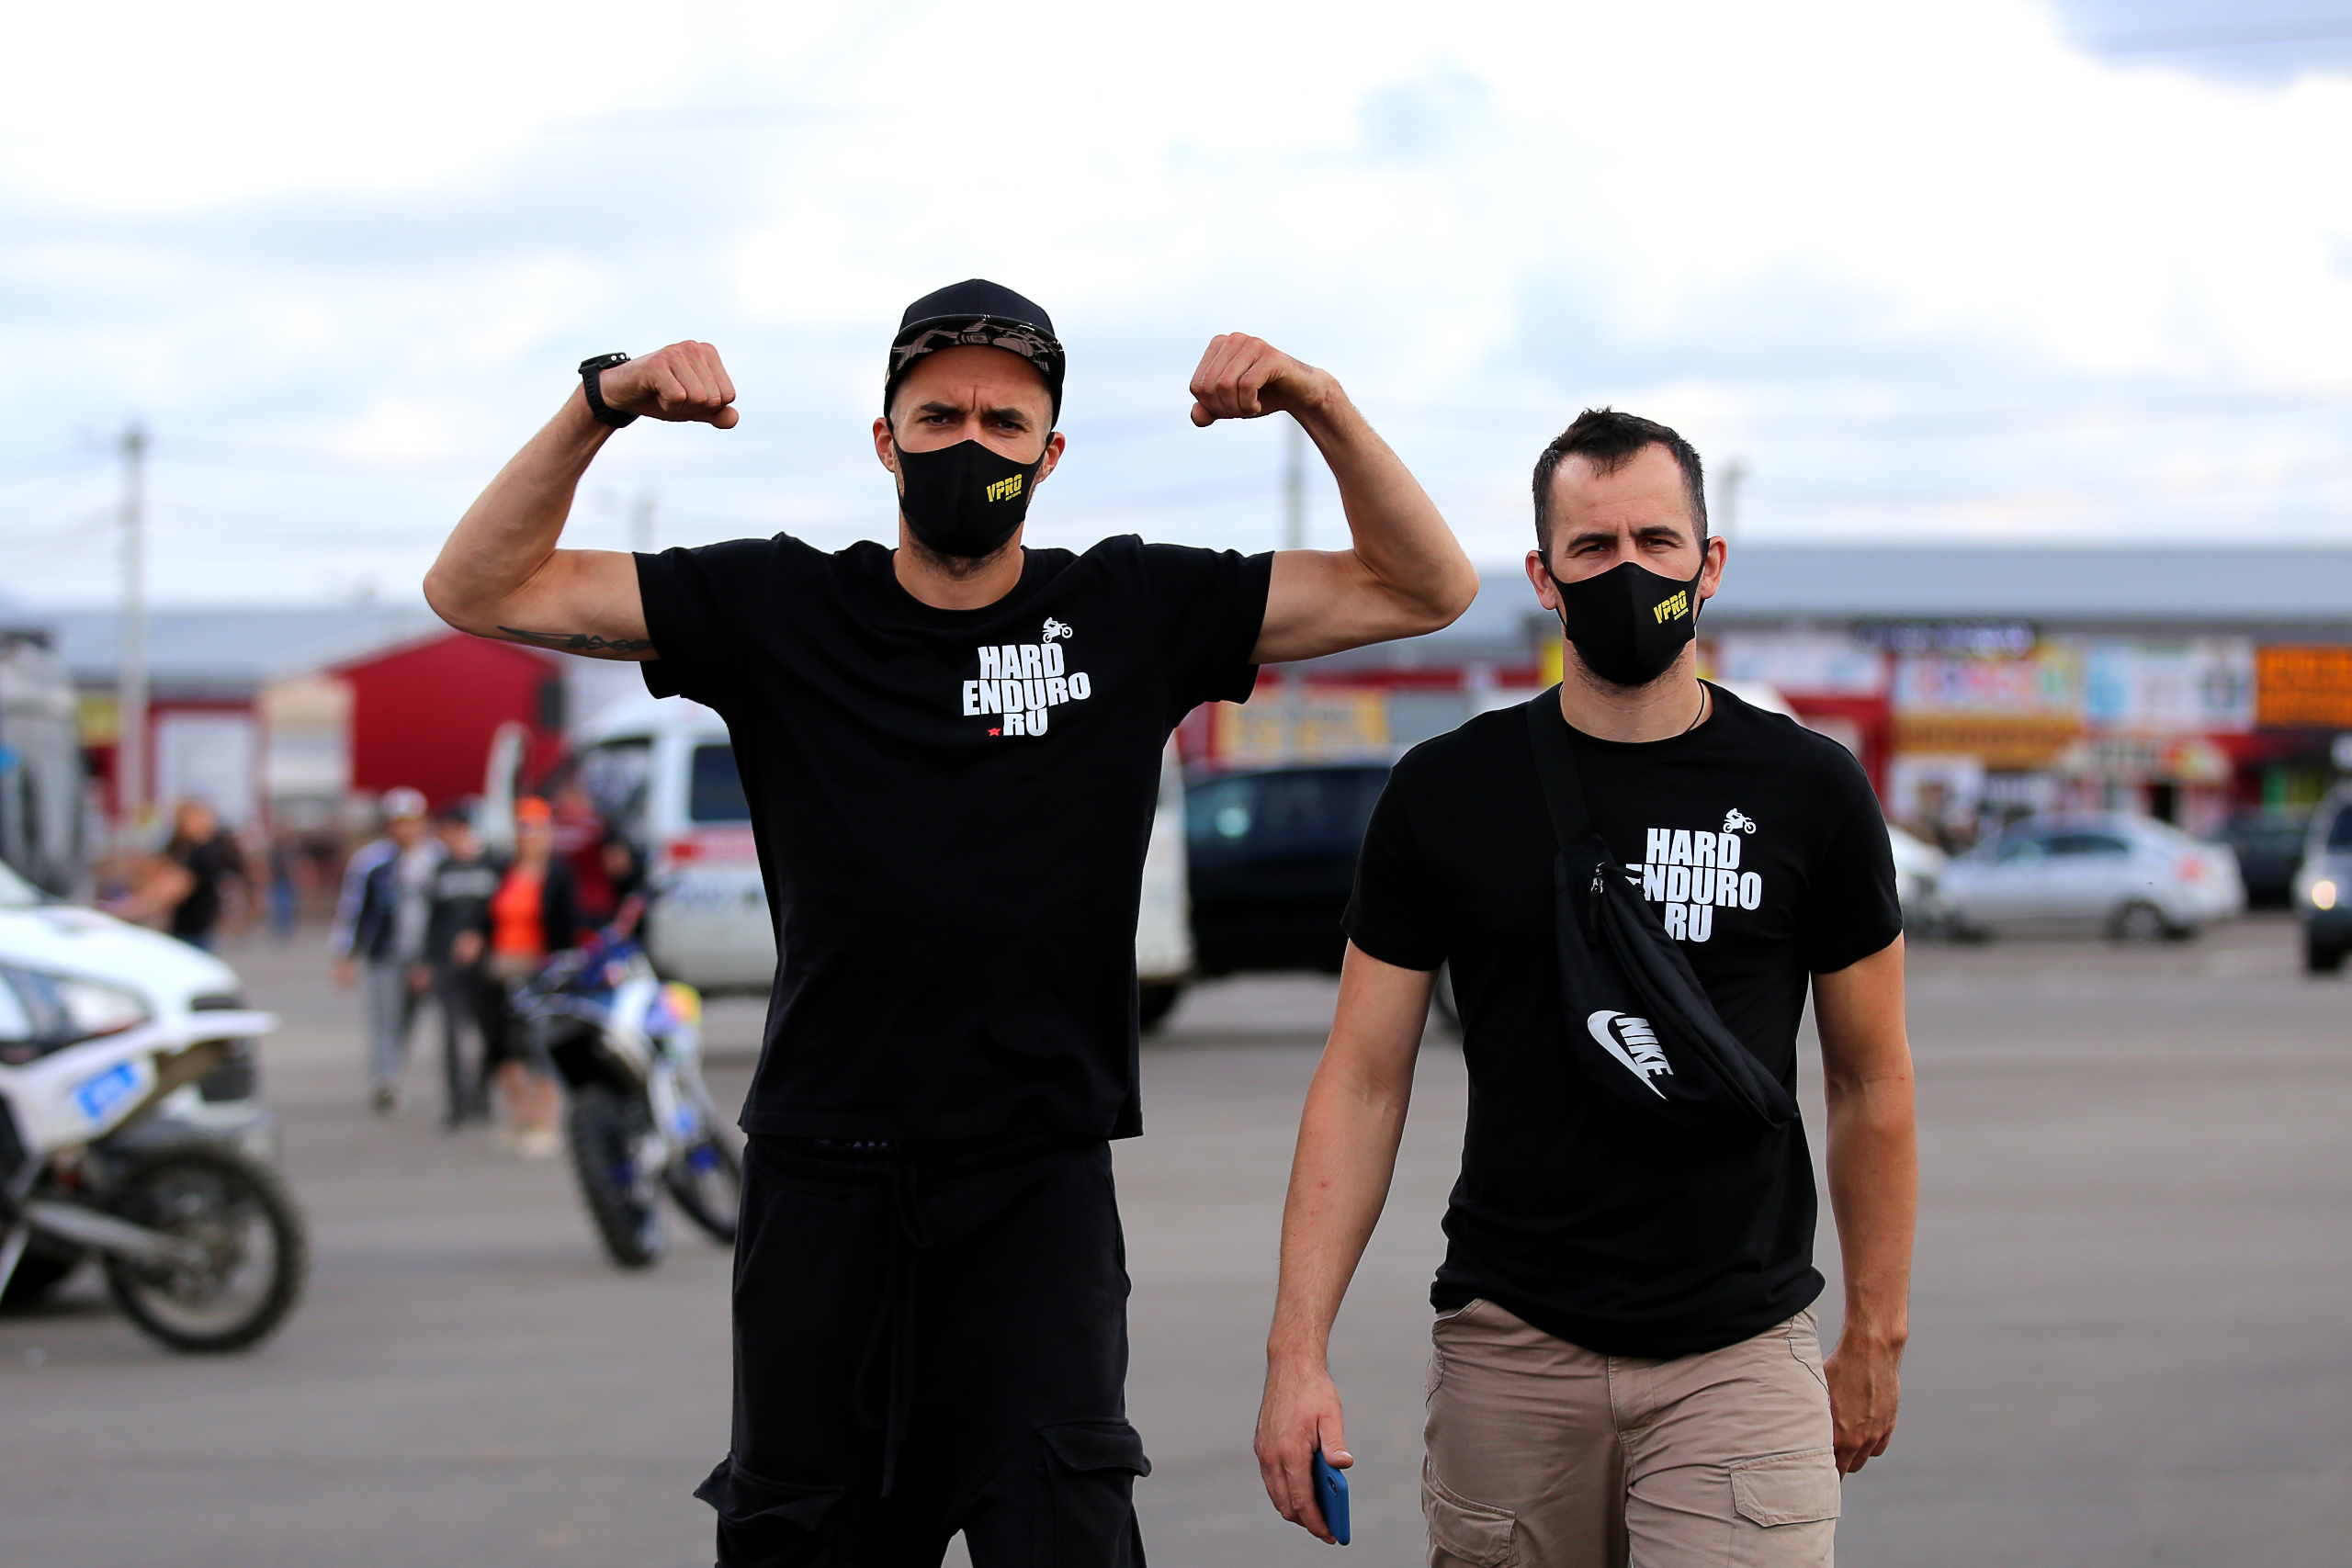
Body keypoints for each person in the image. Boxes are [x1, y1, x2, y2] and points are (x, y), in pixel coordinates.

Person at [423, 279, 1477, 1566]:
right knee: (806, 1534)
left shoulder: (1133, 611)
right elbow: (477, 586)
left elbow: (1425, 587)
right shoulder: (777, 607)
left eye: (1003, 418)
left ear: (1050, 452)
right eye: (937, 415)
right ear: (885, 440)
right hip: (824, 1179)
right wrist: (602, 406)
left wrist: (1318, 400)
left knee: (1066, 1529)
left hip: (1034, 1184)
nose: (969, 441)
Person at [1253, 410, 1917, 1567]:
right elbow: (1361, 1081)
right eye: (1593, 548)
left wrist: (1877, 1332)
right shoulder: (1444, 793)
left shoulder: (1810, 791)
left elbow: (1870, 1075)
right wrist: (1295, 1356)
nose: (1628, 571)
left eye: (1657, 543)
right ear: (1544, 578)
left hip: (1738, 1352)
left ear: (1708, 565)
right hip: (1510, 1354)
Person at [330, 787, 443, 1115]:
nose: (404, 830)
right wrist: (345, 955)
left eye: (410, 822)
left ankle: (396, 1069)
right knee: (384, 1018)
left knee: (408, 1018)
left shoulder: (437, 859)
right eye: (398, 822)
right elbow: (352, 910)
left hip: (425, 955)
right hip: (384, 953)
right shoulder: (371, 862)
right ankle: (385, 1081)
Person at [476, 796, 574, 1158]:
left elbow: (565, 927)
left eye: (534, 828)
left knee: (540, 1045)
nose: (527, 836)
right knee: (500, 1046)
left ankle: (545, 1120)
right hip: (501, 965)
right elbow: (487, 916)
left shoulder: (558, 874)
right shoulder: (504, 869)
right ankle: (521, 1115)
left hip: (539, 968)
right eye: (522, 828)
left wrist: (559, 969)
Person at [420, 805, 503, 1128]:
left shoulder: (492, 865)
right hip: (448, 962)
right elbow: (432, 919)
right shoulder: (442, 870)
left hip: (486, 963)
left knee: (489, 1032)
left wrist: (481, 937)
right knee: (452, 1035)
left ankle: (482, 1094)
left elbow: (501, 913)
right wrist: (426, 962)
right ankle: (457, 1104)